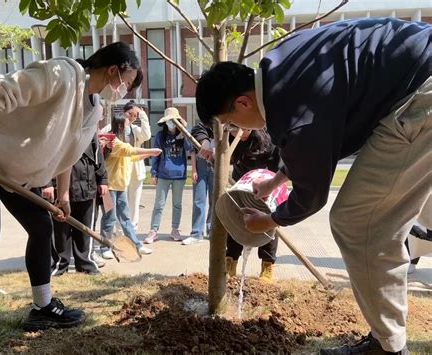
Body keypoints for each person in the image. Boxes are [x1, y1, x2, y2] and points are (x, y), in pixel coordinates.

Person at [195, 17, 430, 355]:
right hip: (415, 77)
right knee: (390, 214)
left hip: (420, 95)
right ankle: (384, 339)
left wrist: (272, 219)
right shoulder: (281, 64)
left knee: (358, 222)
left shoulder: (290, 107)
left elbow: (312, 193)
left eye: (231, 122)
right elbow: (311, 142)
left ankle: (389, 348)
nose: (236, 129)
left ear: (243, 103)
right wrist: (277, 180)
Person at [0, 41, 142, 351]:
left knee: (42, 229)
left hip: (17, 176)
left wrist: (64, 196)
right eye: (128, 83)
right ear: (114, 70)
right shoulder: (62, 73)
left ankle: (42, 309)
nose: (125, 92)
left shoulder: (94, 106)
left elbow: (67, 154)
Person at [99, 113, 161, 257]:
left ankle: (137, 245)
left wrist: (150, 155)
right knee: (110, 218)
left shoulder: (121, 141)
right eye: (127, 125)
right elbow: (129, 150)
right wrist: (151, 150)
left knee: (126, 219)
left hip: (120, 186)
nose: (129, 128)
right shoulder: (113, 141)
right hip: (109, 187)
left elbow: (131, 157)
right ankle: (105, 248)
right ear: (121, 125)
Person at [225, 127, 281, 283]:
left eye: (240, 130)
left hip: (265, 185)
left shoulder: (267, 141)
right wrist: (206, 144)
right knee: (237, 221)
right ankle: (230, 261)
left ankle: (267, 265)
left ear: (250, 127)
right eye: (232, 131)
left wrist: (270, 186)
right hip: (241, 185)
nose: (237, 135)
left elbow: (278, 168)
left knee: (268, 224)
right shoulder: (228, 136)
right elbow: (202, 128)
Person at [50, 136, 108, 276]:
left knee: (85, 230)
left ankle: (85, 264)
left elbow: (98, 156)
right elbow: (48, 160)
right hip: (60, 191)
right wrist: (48, 184)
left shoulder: (89, 131)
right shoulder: (59, 129)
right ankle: (60, 264)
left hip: (87, 188)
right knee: (60, 232)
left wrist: (103, 180)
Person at [144, 107, 192, 244]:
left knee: (177, 204)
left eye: (174, 121)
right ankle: (153, 231)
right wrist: (154, 173)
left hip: (180, 175)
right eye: (169, 121)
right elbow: (156, 156)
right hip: (163, 175)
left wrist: (185, 130)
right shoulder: (161, 136)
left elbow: (190, 149)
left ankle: (175, 229)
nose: (171, 124)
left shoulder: (183, 136)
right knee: (159, 204)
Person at [182, 121, 215, 245]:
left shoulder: (225, 128)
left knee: (214, 201)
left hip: (215, 167)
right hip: (200, 167)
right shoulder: (201, 127)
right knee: (198, 200)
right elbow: (193, 152)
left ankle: (211, 230)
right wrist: (194, 170)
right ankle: (196, 233)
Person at [123, 101, 151, 231]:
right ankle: (119, 231)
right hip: (120, 171)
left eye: (134, 115)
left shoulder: (135, 130)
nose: (131, 118)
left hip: (135, 170)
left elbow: (147, 135)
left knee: (134, 203)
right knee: (121, 202)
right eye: (130, 114)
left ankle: (132, 230)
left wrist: (142, 115)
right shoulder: (112, 126)